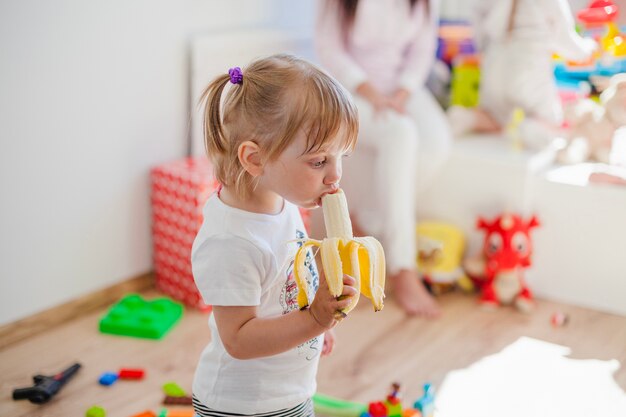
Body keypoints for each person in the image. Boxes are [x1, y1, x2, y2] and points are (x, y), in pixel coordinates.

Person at [191, 54, 359, 416]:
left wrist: (316, 326)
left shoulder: (283, 205)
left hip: (291, 395)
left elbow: (289, 281)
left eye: (340, 157)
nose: (335, 176)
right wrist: (313, 320)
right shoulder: (230, 241)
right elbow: (237, 338)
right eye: (318, 161)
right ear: (255, 159)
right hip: (243, 407)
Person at [315, 0, 452, 317]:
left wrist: (400, 95)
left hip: (401, 89)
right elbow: (329, 48)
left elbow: (422, 50)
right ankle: (403, 267)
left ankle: (368, 220)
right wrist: (373, 95)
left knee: (436, 141)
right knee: (401, 132)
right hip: (347, 90)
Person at [448, 0, 597, 147]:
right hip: (528, 65)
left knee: (493, 117)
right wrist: (588, 49)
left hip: (495, 60)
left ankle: (465, 117)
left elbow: (478, 21)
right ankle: (530, 128)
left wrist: (483, 48)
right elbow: (564, 39)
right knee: (550, 121)